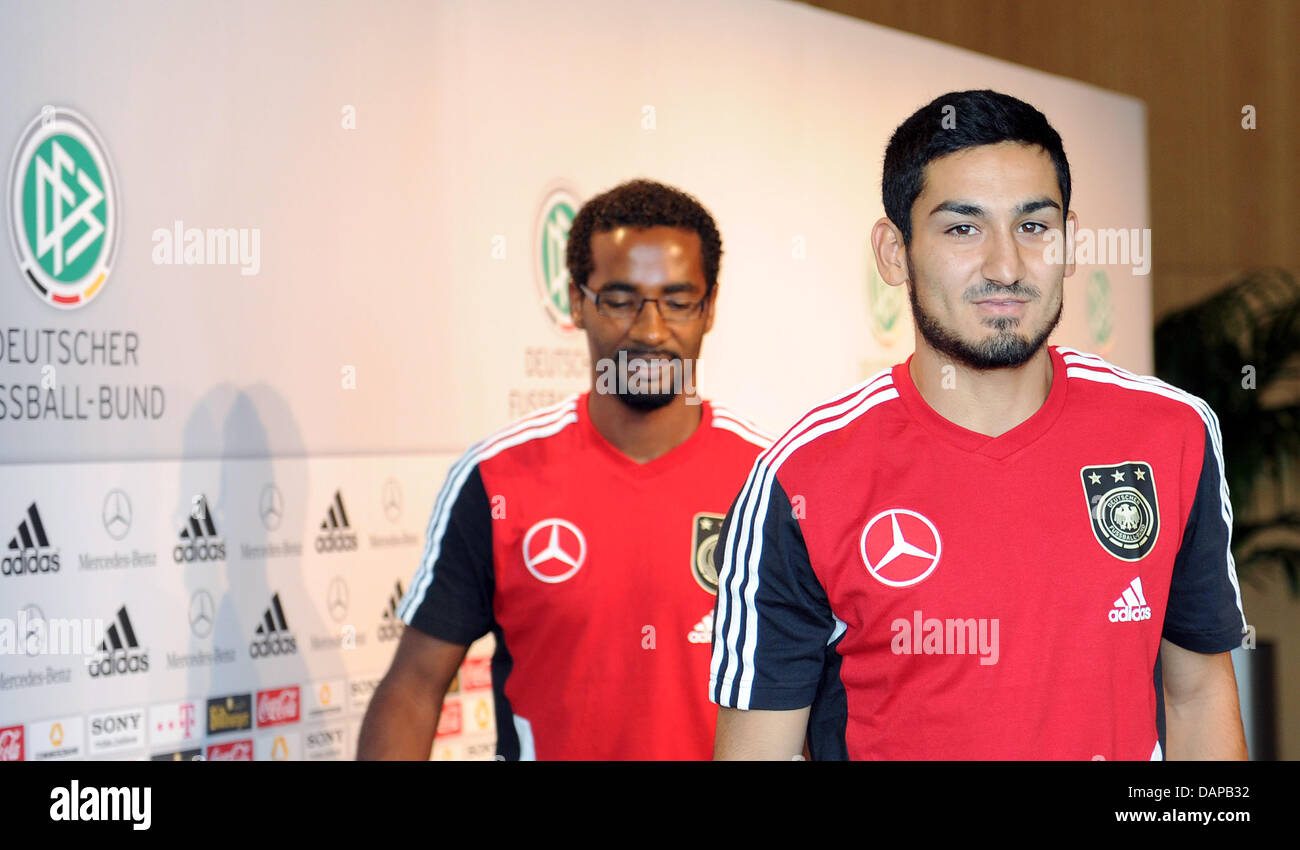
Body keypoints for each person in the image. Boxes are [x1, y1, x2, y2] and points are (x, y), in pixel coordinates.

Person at [709, 90, 1248, 761]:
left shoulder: (1171, 433)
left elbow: (1195, 697)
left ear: (1070, 241)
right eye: (962, 228)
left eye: (1033, 226)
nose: (1006, 267)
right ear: (894, 252)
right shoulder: (800, 477)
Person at [358, 179, 770, 760]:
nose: (651, 331)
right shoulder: (498, 478)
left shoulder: (772, 482)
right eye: (620, 300)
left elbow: (829, 689)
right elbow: (413, 688)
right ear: (577, 302)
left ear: (710, 307)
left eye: (678, 301)